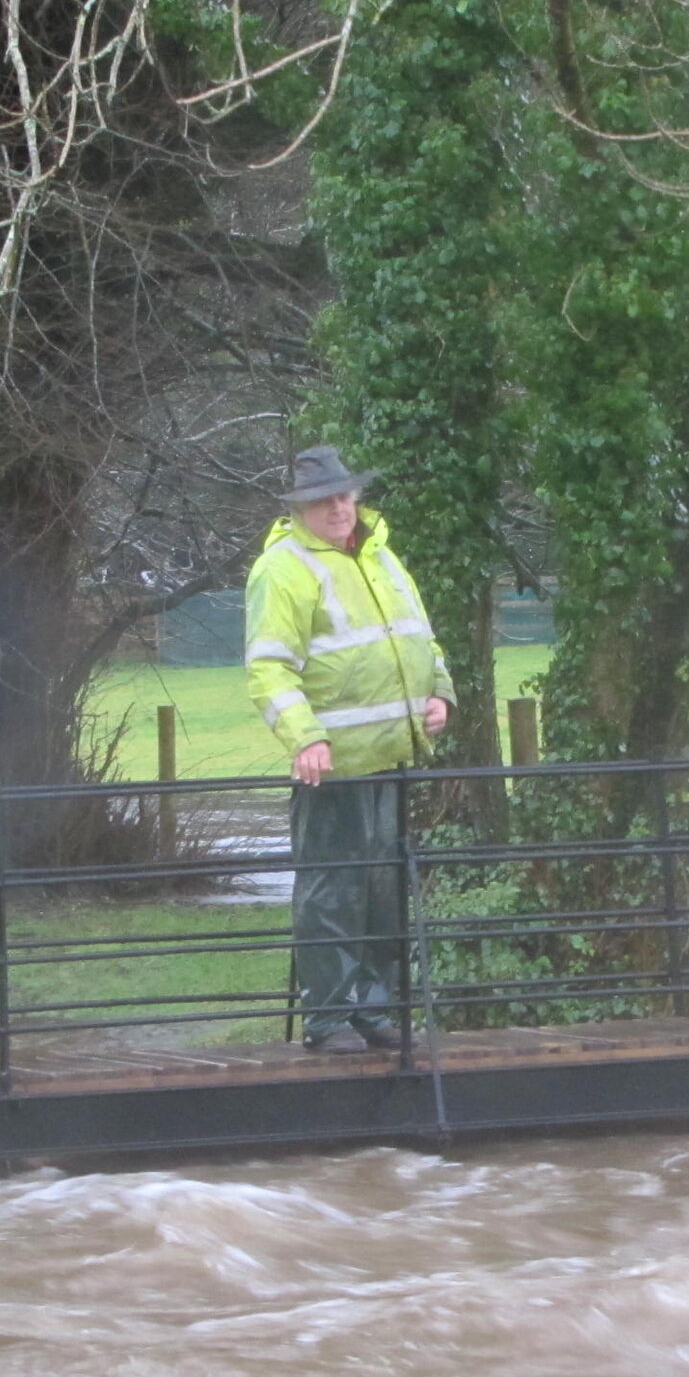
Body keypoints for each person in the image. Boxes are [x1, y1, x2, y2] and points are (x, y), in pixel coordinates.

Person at [244, 447, 453, 1053]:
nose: (338, 507)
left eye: (344, 495)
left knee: (382, 892)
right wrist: (306, 737)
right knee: (333, 893)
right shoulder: (283, 570)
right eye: (323, 499)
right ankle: (330, 1019)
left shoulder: (380, 556)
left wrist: (440, 693)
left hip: (392, 757)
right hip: (333, 767)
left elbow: (420, 637)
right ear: (302, 508)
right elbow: (268, 670)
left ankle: (373, 1011)